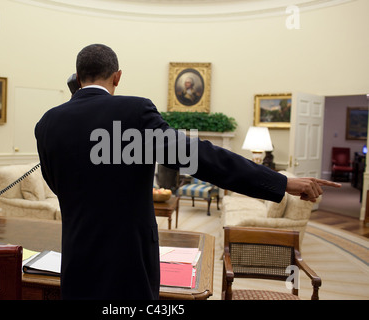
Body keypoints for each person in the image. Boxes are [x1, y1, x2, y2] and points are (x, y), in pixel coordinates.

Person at [34, 44, 340, 300]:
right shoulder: (134, 113)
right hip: (128, 267)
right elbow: (203, 157)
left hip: (77, 263)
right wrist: (282, 181)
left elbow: (57, 184)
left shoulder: (47, 124)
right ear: (118, 76)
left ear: (77, 77)